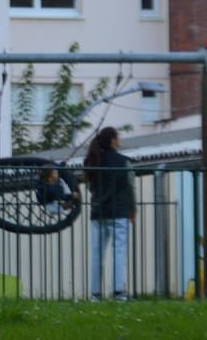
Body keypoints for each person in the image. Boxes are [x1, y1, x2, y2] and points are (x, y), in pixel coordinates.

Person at [83, 126, 135, 301]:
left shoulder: (93, 161)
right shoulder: (124, 162)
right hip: (119, 212)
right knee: (118, 252)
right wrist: (132, 209)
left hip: (98, 213)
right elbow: (130, 188)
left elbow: (91, 188)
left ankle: (95, 295)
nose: (120, 140)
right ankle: (119, 292)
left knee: (97, 255)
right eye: (118, 137)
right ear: (113, 141)